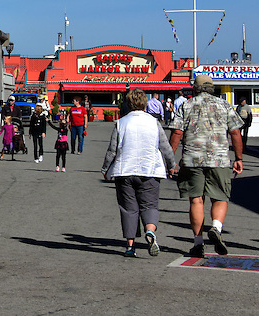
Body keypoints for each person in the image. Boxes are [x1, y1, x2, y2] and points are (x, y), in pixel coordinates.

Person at [169, 74, 244, 257]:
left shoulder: (186, 105)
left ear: (195, 88)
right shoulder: (224, 105)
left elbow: (177, 132)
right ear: (212, 88)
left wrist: (170, 159)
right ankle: (216, 228)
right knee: (220, 197)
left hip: (192, 159)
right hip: (219, 159)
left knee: (196, 200)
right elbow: (235, 132)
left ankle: (198, 243)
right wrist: (239, 158)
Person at [101, 89, 177, 258]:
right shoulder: (154, 122)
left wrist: (105, 169)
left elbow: (112, 150)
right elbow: (165, 147)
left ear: (128, 104)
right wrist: (171, 165)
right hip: (149, 169)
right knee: (149, 205)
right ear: (145, 103)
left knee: (129, 209)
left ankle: (130, 246)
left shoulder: (121, 123)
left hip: (125, 170)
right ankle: (150, 231)